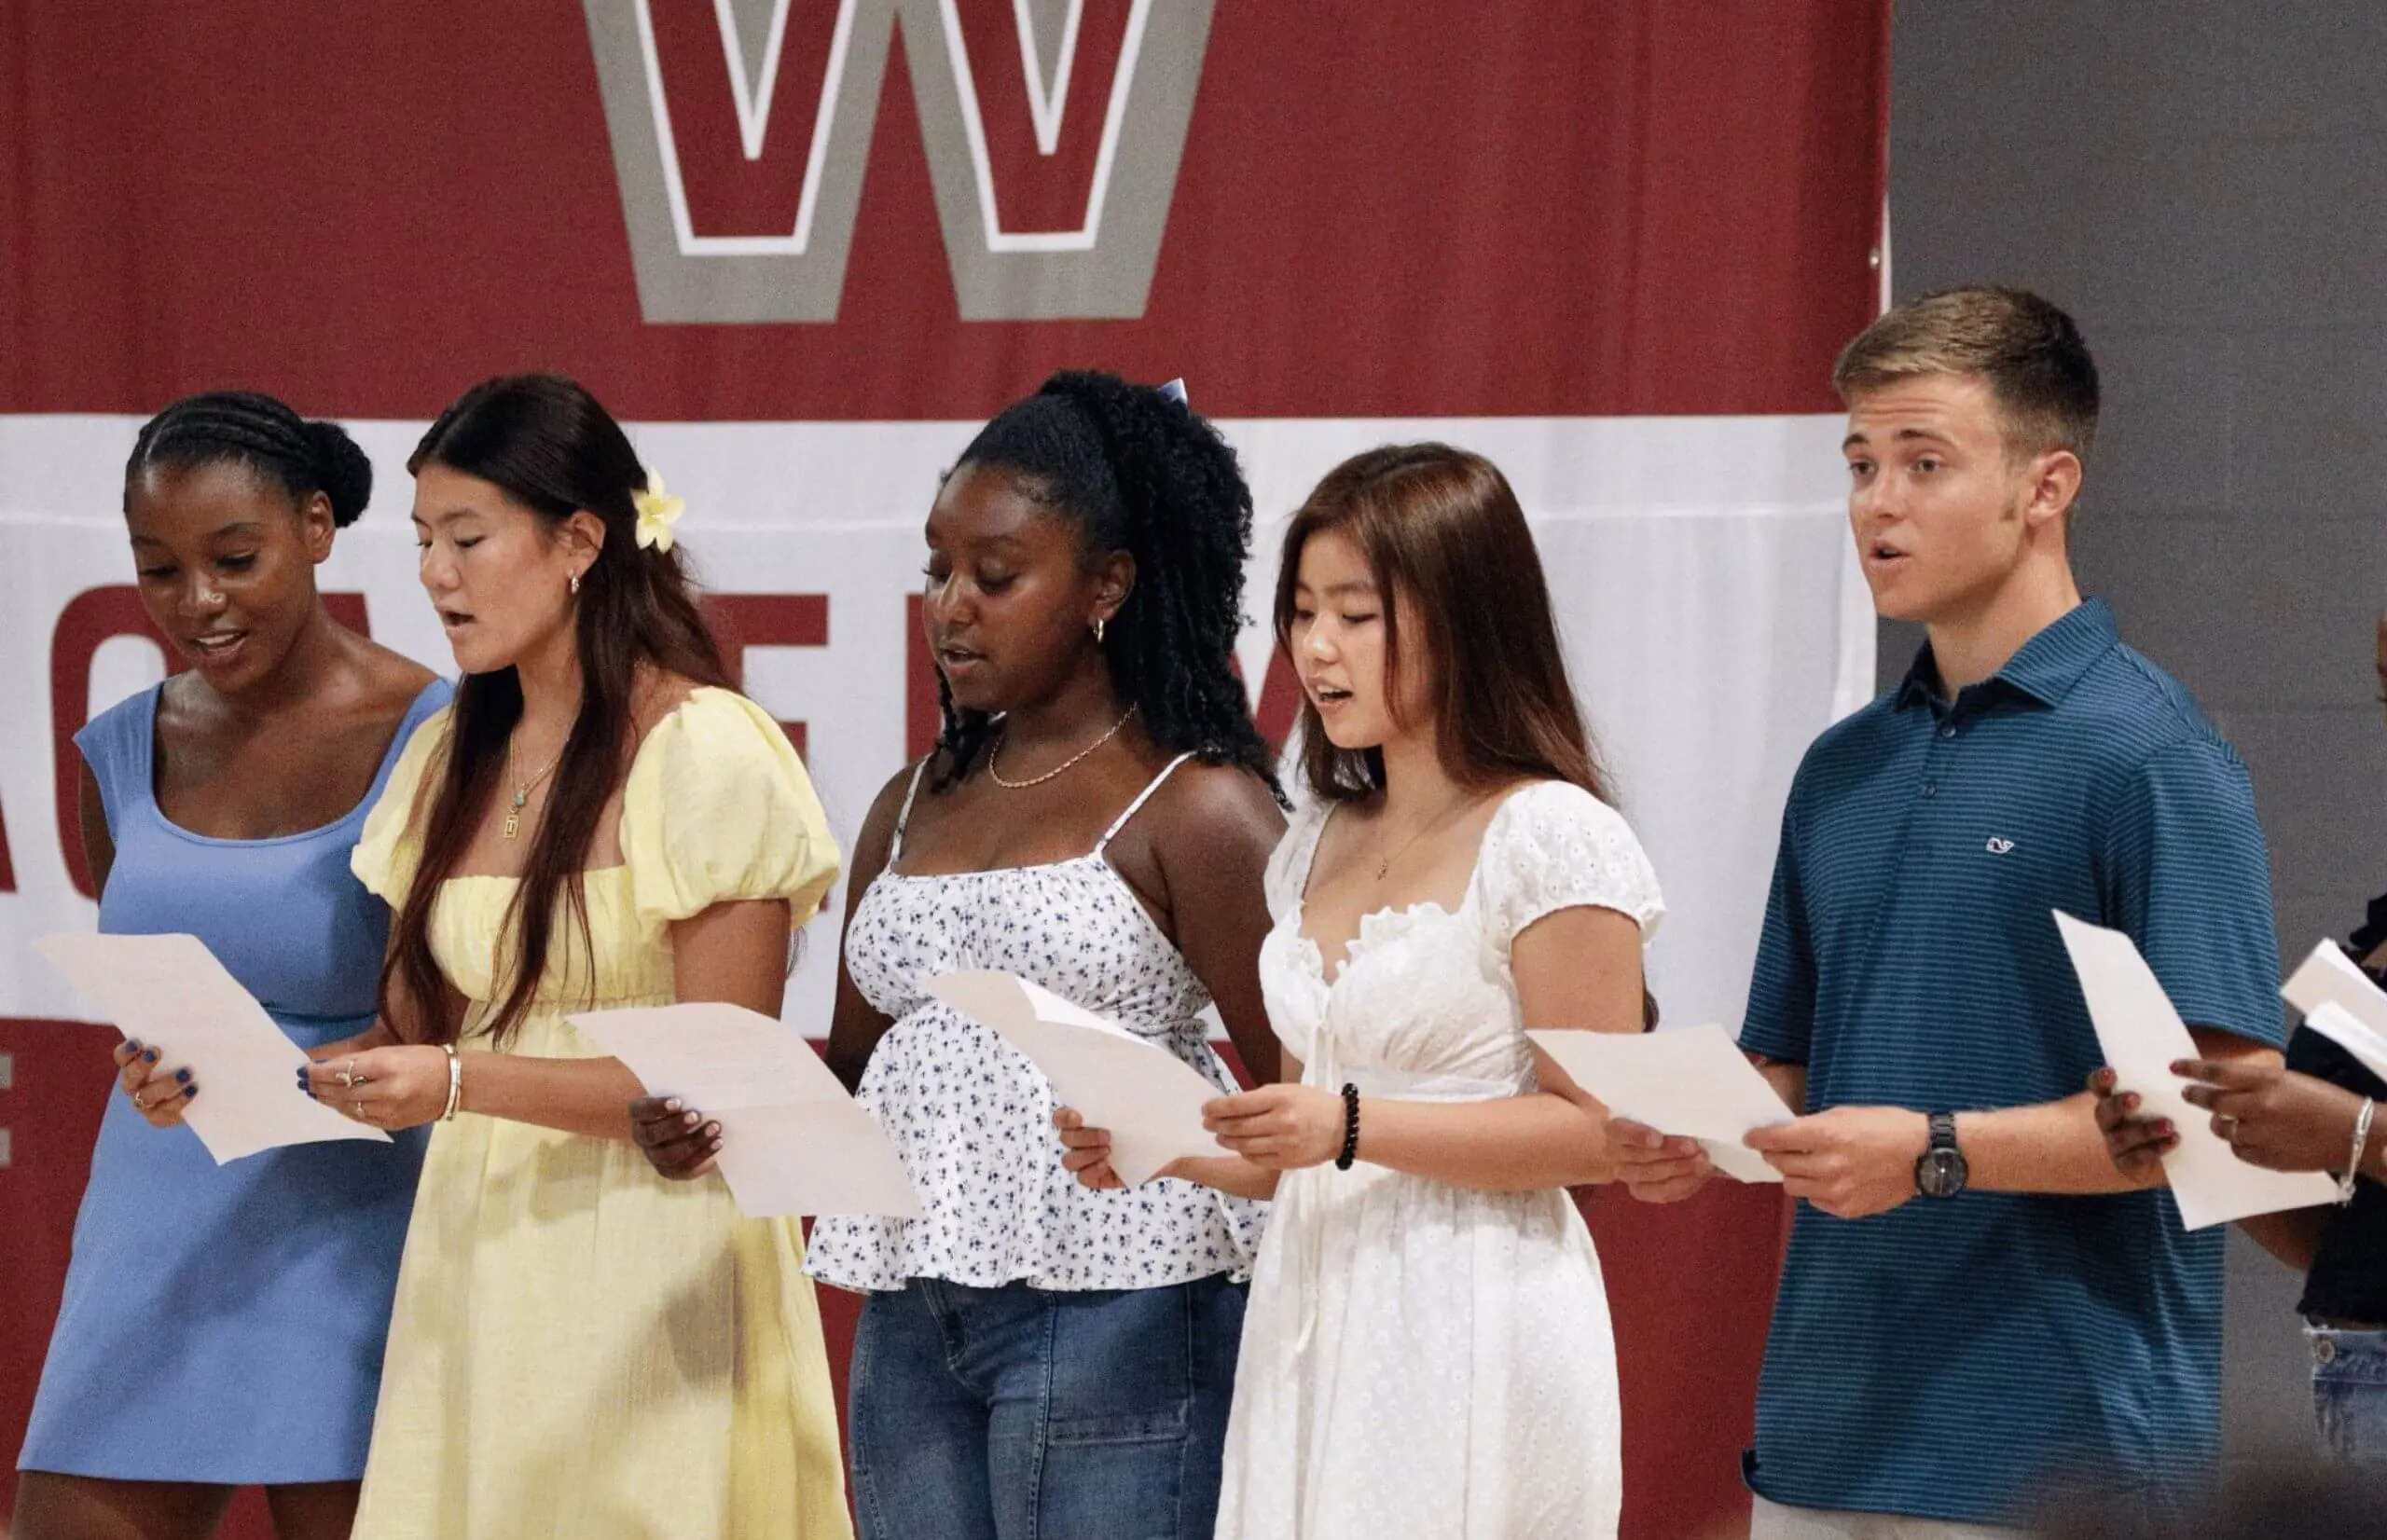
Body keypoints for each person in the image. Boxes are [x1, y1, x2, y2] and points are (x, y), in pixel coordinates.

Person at [1607, 288, 2285, 1536]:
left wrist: (1935, 1150)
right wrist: (1700, 1135)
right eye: (1862, 464)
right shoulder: (1842, 769)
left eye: (1925, 463)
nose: (1878, 503)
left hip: (2061, 1464)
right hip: (1822, 1445)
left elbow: (2225, 1126)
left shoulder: (2152, 755)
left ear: (2047, 486)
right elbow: (1796, 1069)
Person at [632, 371, 1286, 1540]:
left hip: (1126, 1300)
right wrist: (718, 1111)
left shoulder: (1198, 805)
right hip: (915, 1298)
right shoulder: (911, 798)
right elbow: (852, 1065)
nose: (949, 607)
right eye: (936, 570)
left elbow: (1307, 1104)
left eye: (995, 576)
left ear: (1107, 586)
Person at [1059, 443, 1666, 1540]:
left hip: (1477, 1311)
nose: (1317, 648)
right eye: (1300, 611)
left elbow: (1599, 1132)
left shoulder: (1553, 834)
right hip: (1314, 1301)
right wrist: (1165, 1144)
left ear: (1464, 616)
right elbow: (1302, 1137)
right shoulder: (1313, 842)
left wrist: (1344, 1123)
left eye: (1357, 613)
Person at [302, 375, 850, 1539]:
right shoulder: (451, 748)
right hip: (477, 1253)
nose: (434, 574)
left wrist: (456, 1082)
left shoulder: (703, 748)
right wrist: (267, 1076)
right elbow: (417, 1033)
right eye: (421, 541)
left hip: (653, 1255)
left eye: (466, 537)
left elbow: (722, 1084)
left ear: (580, 541)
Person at [14, 392, 444, 1540]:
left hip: (360, 1219)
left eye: (234, 558)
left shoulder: (442, 731)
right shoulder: (120, 744)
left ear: (316, 527)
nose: (196, 602)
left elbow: (456, 1002)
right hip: (161, 1211)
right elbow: (144, 967)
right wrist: (149, 1059)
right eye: (159, 570)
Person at [2090, 612, 2387, 1466]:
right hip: (2358, 1368)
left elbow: (2354, 1133)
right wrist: (2207, 1136)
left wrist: (2355, 1130)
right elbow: (2344, 1242)